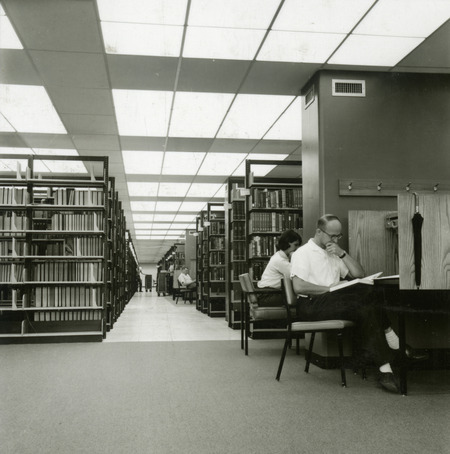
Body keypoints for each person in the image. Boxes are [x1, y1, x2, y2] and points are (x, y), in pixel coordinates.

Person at [290, 214, 423, 394]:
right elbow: (298, 287)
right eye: (332, 236)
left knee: (367, 300)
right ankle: (394, 342)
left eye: (339, 236)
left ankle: (386, 370)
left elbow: (359, 274)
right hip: (311, 305)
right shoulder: (302, 253)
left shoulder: (334, 252)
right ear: (319, 232)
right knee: (365, 300)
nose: (336, 240)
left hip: (332, 301)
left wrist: (342, 253)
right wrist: (330, 288)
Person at [256, 230, 302, 306]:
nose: (297, 248)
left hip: (268, 294)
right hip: (268, 296)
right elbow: (297, 274)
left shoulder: (280, 256)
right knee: (302, 301)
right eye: (295, 245)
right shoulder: (280, 260)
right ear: (287, 244)